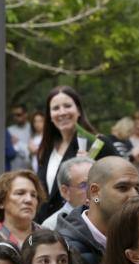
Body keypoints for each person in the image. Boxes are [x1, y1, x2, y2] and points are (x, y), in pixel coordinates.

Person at [57, 157, 139, 264]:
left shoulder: (137, 237)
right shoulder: (66, 248)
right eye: (122, 187)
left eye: (137, 188)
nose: (134, 196)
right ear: (95, 192)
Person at [36, 86, 116, 222]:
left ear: (78, 110)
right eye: (56, 108)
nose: (62, 112)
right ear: (49, 116)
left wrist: (92, 168)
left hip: (83, 224)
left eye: (67, 106)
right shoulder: (47, 148)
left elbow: (117, 183)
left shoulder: (97, 144)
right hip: (49, 226)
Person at [0, 170, 46, 248]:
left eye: (33, 195)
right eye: (20, 193)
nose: (29, 200)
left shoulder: (49, 238)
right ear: (1, 202)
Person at [40, 156, 94, 231]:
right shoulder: (52, 226)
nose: (93, 190)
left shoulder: (107, 217)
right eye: (83, 185)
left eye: (95, 183)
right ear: (65, 191)